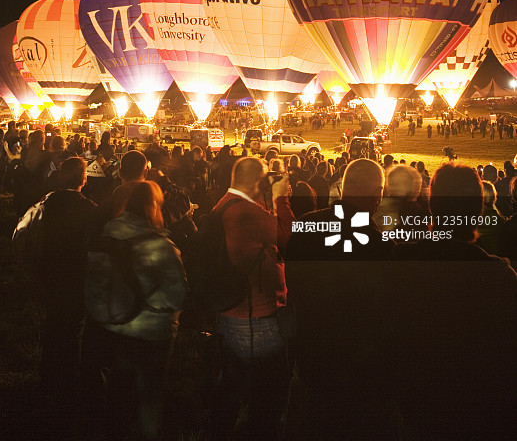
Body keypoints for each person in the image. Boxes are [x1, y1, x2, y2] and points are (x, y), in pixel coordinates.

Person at [383, 165, 517, 440]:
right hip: (481, 412)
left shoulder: (400, 262)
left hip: (418, 408)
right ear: (478, 210)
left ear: (432, 206)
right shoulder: (498, 276)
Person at [285, 157, 394, 440]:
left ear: (343, 189)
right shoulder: (381, 248)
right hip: (360, 370)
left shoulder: (305, 226)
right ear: (377, 195)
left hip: (312, 357)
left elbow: (291, 284)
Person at [92, 180, 187, 441]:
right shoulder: (160, 245)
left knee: (119, 388)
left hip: (115, 325)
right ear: (153, 206)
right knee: (150, 393)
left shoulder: (107, 235)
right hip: (152, 333)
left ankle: (115, 431)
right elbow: (178, 294)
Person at [213, 156, 294, 441]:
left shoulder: (226, 204)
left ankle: (220, 430)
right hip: (256, 319)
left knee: (232, 382)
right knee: (270, 395)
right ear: (257, 183)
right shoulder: (246, 212)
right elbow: (291, 238)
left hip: (232, 312)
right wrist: (281, 199)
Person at [35, 157, 97, 409]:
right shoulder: (89, 209)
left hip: (51, 273)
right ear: (83, 179)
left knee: (53, 325)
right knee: (73, 329)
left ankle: (48, 378)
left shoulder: (47, 204)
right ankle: (68, 383)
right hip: (76, 276)